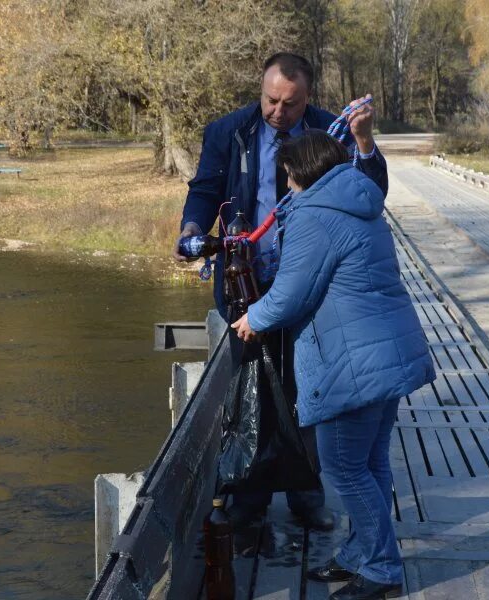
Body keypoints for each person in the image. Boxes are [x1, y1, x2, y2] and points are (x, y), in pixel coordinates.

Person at [173, 52, 389, 532]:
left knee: (309, 387)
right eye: (271, 100)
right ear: (261, 90)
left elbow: (372, 193)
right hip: (245, 284)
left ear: (308, 98)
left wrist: (366, 142)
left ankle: (305, 494)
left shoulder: (331, 133)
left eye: (289, 104)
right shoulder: (228, 131)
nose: (277, 112)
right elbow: (205, 189)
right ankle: (248, 498)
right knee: (249, 390)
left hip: (314, 287)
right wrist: (191, 227)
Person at [231, 130, 435, 600]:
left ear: (301, 170)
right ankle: (360, 554)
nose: (285, 182)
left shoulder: (314, 216)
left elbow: (292, 291)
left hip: (352, 362)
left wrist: (253, 318)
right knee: (371, 463)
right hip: (387, 353)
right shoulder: (359, 199)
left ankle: (382, 569)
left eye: (286, 172)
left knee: (344, 468)